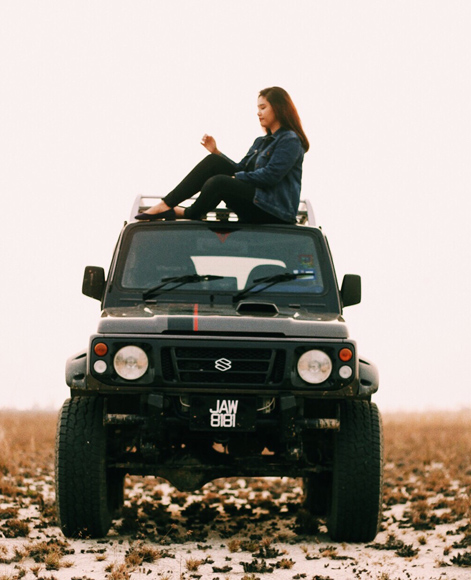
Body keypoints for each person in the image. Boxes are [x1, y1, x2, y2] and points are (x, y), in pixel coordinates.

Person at [135, 87, 309, 224]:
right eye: (258, 108)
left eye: (263, 108)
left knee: (219, 182)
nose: (258, 113)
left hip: (274, 211)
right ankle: (166, 204)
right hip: (256, 203)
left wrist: (235, 177)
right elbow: (240, 169)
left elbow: (270, 176)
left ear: (278, 108)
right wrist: (216, 152)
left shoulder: (290, 140)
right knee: (214, 162)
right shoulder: (260, 142)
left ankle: (188, 213)